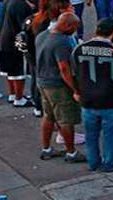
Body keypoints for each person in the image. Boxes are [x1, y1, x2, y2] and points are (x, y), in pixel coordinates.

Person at [72, 18, 113, 173]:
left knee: (91, 134)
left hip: (88, 98)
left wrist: (77, 91)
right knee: (110, 134)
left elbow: (75, 73)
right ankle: (109, 162)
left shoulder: (79, 48)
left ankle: (92, 161)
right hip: (111, 98)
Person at [36, 12, 85, 162]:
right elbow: (64, 68)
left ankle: (46, 148)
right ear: (67, 25)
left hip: (43, 81)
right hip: (57, 85)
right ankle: (71, 153)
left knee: (48, 115)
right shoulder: (61, 42)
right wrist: (75, 89)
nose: (75, 30)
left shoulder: (43, 35)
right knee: (66, 120)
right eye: (75, 27)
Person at [0, 0, 37, 107]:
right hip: (16, 42)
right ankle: (19, 98)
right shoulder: (21, 5)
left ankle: (12, 94)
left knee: (10, 72)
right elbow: (25, 26)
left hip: (3, 40)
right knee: (18, 72)